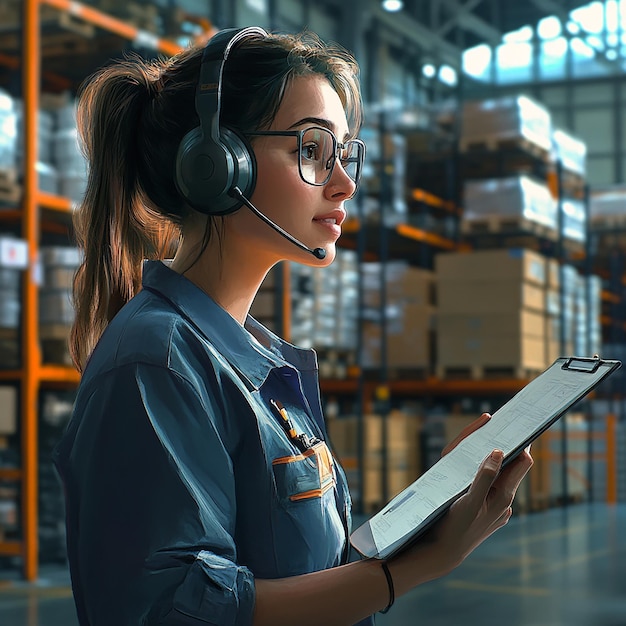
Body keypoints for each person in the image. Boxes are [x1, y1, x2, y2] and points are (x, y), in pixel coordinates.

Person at [53, 26, 533, 626]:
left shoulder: (258, 361)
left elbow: (295, 564)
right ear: (216, 164)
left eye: (345, 154)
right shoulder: (157, 362)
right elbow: (175, 611)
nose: (345, 183)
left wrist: (428, 517)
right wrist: (414, 569)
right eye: (312, 150)